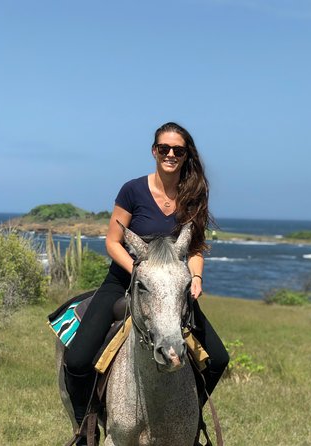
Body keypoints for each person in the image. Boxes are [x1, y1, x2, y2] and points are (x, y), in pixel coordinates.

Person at [63, 122, 229, 445]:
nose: (170, 155)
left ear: (185, 155)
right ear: (154, 151)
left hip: (170, 288)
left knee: (219, 358)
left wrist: (196, 276)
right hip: (125, 277)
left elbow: (194, 248)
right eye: (164, 149)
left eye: (177, 150)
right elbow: (113, 241)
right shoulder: (133, 191)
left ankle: (186, 421)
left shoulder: (193, 194)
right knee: (77, 359)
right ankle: (85, 430)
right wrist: (139, 269)